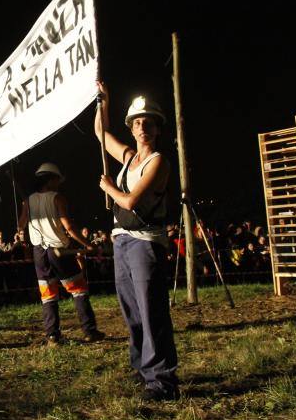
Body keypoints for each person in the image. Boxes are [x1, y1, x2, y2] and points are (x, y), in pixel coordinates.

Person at [94, 80, 179, 401]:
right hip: (122, 241)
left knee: (151, 309)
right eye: (138, 122)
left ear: (157, 128)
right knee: (131, 310)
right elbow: (100, 134)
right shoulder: (128, 156)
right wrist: (104, 100)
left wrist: (108, 188)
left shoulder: (158, 162)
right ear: (131, 128)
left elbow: (130, 201)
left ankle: (162, 381)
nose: (143, 126)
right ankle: (142, 370)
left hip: (146, 242)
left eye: (149, 122)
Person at [18, 163, 105, 346]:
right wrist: (88, 245)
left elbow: (21, 225)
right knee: (79, 289)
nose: (59, 183)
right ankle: (89, 331)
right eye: (57, 179)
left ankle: (53, 336)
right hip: (59, 250)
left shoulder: (29, 200)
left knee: (48, 294)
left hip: (39, 252)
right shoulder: (57, 198)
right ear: (50, 179)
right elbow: (69, 227)